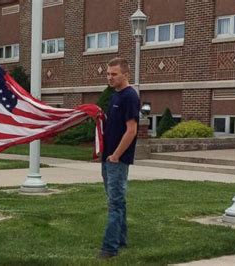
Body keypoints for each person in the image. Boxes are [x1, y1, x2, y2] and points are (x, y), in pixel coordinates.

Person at [99, 57, 140, 259]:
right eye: (108, 74)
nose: (110, 77)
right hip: (108, 158)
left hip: (117, 159)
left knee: (114, 203)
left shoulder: (129, 96)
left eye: (114, 74)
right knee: (118, 201)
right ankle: (121, 239)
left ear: (126, 74)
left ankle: (110, 248)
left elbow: (131, 130)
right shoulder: (115, 96)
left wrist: (116, 155)